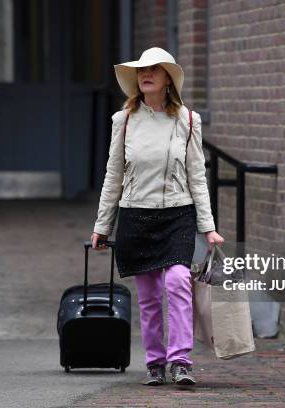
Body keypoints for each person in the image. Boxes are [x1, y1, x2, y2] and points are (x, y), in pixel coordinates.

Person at [90, 47, 224, 386]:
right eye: (141, 70)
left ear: (168, 79)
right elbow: (113, 176)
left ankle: (181, 361)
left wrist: (208, 228)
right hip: (135, 216)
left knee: (178, 281)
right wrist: (102, 226)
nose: (146, 74)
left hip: (178, 214)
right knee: (149, 297)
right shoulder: (124, 122)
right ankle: (155, 362)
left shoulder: (188, 121)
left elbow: (197, 176)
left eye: (154, 69)